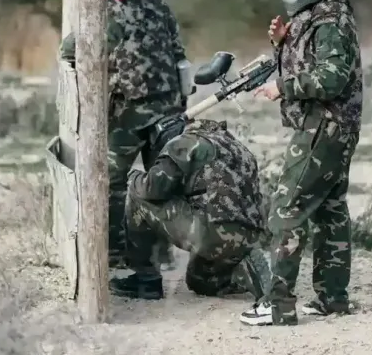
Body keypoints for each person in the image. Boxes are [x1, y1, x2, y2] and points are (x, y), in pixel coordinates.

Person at [238, 0, 362, 327]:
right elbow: (310, 63)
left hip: (323, 126)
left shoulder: (329, 22)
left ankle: (277, 305)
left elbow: (331, 79)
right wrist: (281, 43)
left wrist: (282, 87)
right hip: (332, 126)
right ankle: (332, 299)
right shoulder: (320, 15)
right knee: (329, 210)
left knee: (286, 208)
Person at [60, 0, 190, 268]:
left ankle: (114, 255)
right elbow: (179, 55)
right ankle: (160, 255)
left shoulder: (104, 11)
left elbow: (69, 49)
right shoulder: (157, 3)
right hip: (169, 108)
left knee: (111, 183)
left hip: (126, 112)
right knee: (162, 183)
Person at [110, 115, 270, 300]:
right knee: (199, 282)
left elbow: (151, 188)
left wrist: (132, 177)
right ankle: (242, 269)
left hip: (213, 235)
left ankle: (146, 280)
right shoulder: (237, 148)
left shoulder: (184, 142)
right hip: (249, 237)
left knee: (136, 191)